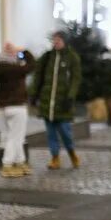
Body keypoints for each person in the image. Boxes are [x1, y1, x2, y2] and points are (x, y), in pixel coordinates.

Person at [32, 31, 81, 170]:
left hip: (63, 102)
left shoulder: (72, 58)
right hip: (48, 102)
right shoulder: (47, 57)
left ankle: (72, 153)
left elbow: (75, 79)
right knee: (51, 133)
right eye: (54, 40)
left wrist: (71, 96)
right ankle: (55, 158)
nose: (55, 43)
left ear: (64, 41)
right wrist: (34, 94)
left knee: (65, 132)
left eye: (58, 40)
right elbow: (38, 76)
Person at [0, 43, 35, 177]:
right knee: (16, 137)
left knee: (13, 135)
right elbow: (32, 64)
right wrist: (23, 50)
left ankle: (20, 162)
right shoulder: (15, 69)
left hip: (4, 107)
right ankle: (7, 165)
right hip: (18, 106)